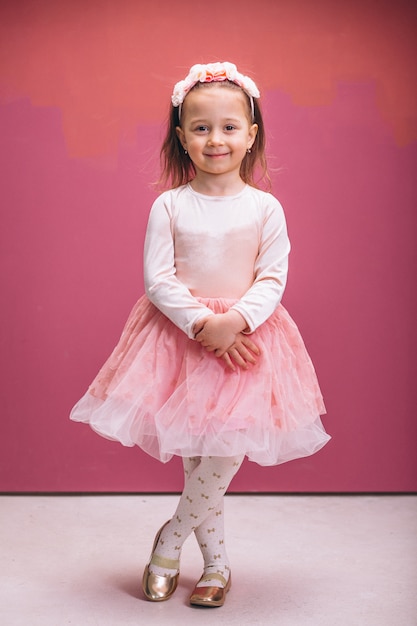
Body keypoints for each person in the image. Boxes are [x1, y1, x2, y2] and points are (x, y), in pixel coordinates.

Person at [70, 61, 330, 608]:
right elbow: (158, 278)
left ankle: (168, 541)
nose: (217, 139)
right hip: (178, 340)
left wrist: (233, 322)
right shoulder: (169, 205)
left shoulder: (265, 207)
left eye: (230, 127)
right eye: (202, 127)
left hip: (247, 344)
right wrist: (202, 324)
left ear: (251, 134)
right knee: (199, 457)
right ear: (182, 137)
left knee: (223, 454)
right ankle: (216, 566)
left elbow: (272, 276)